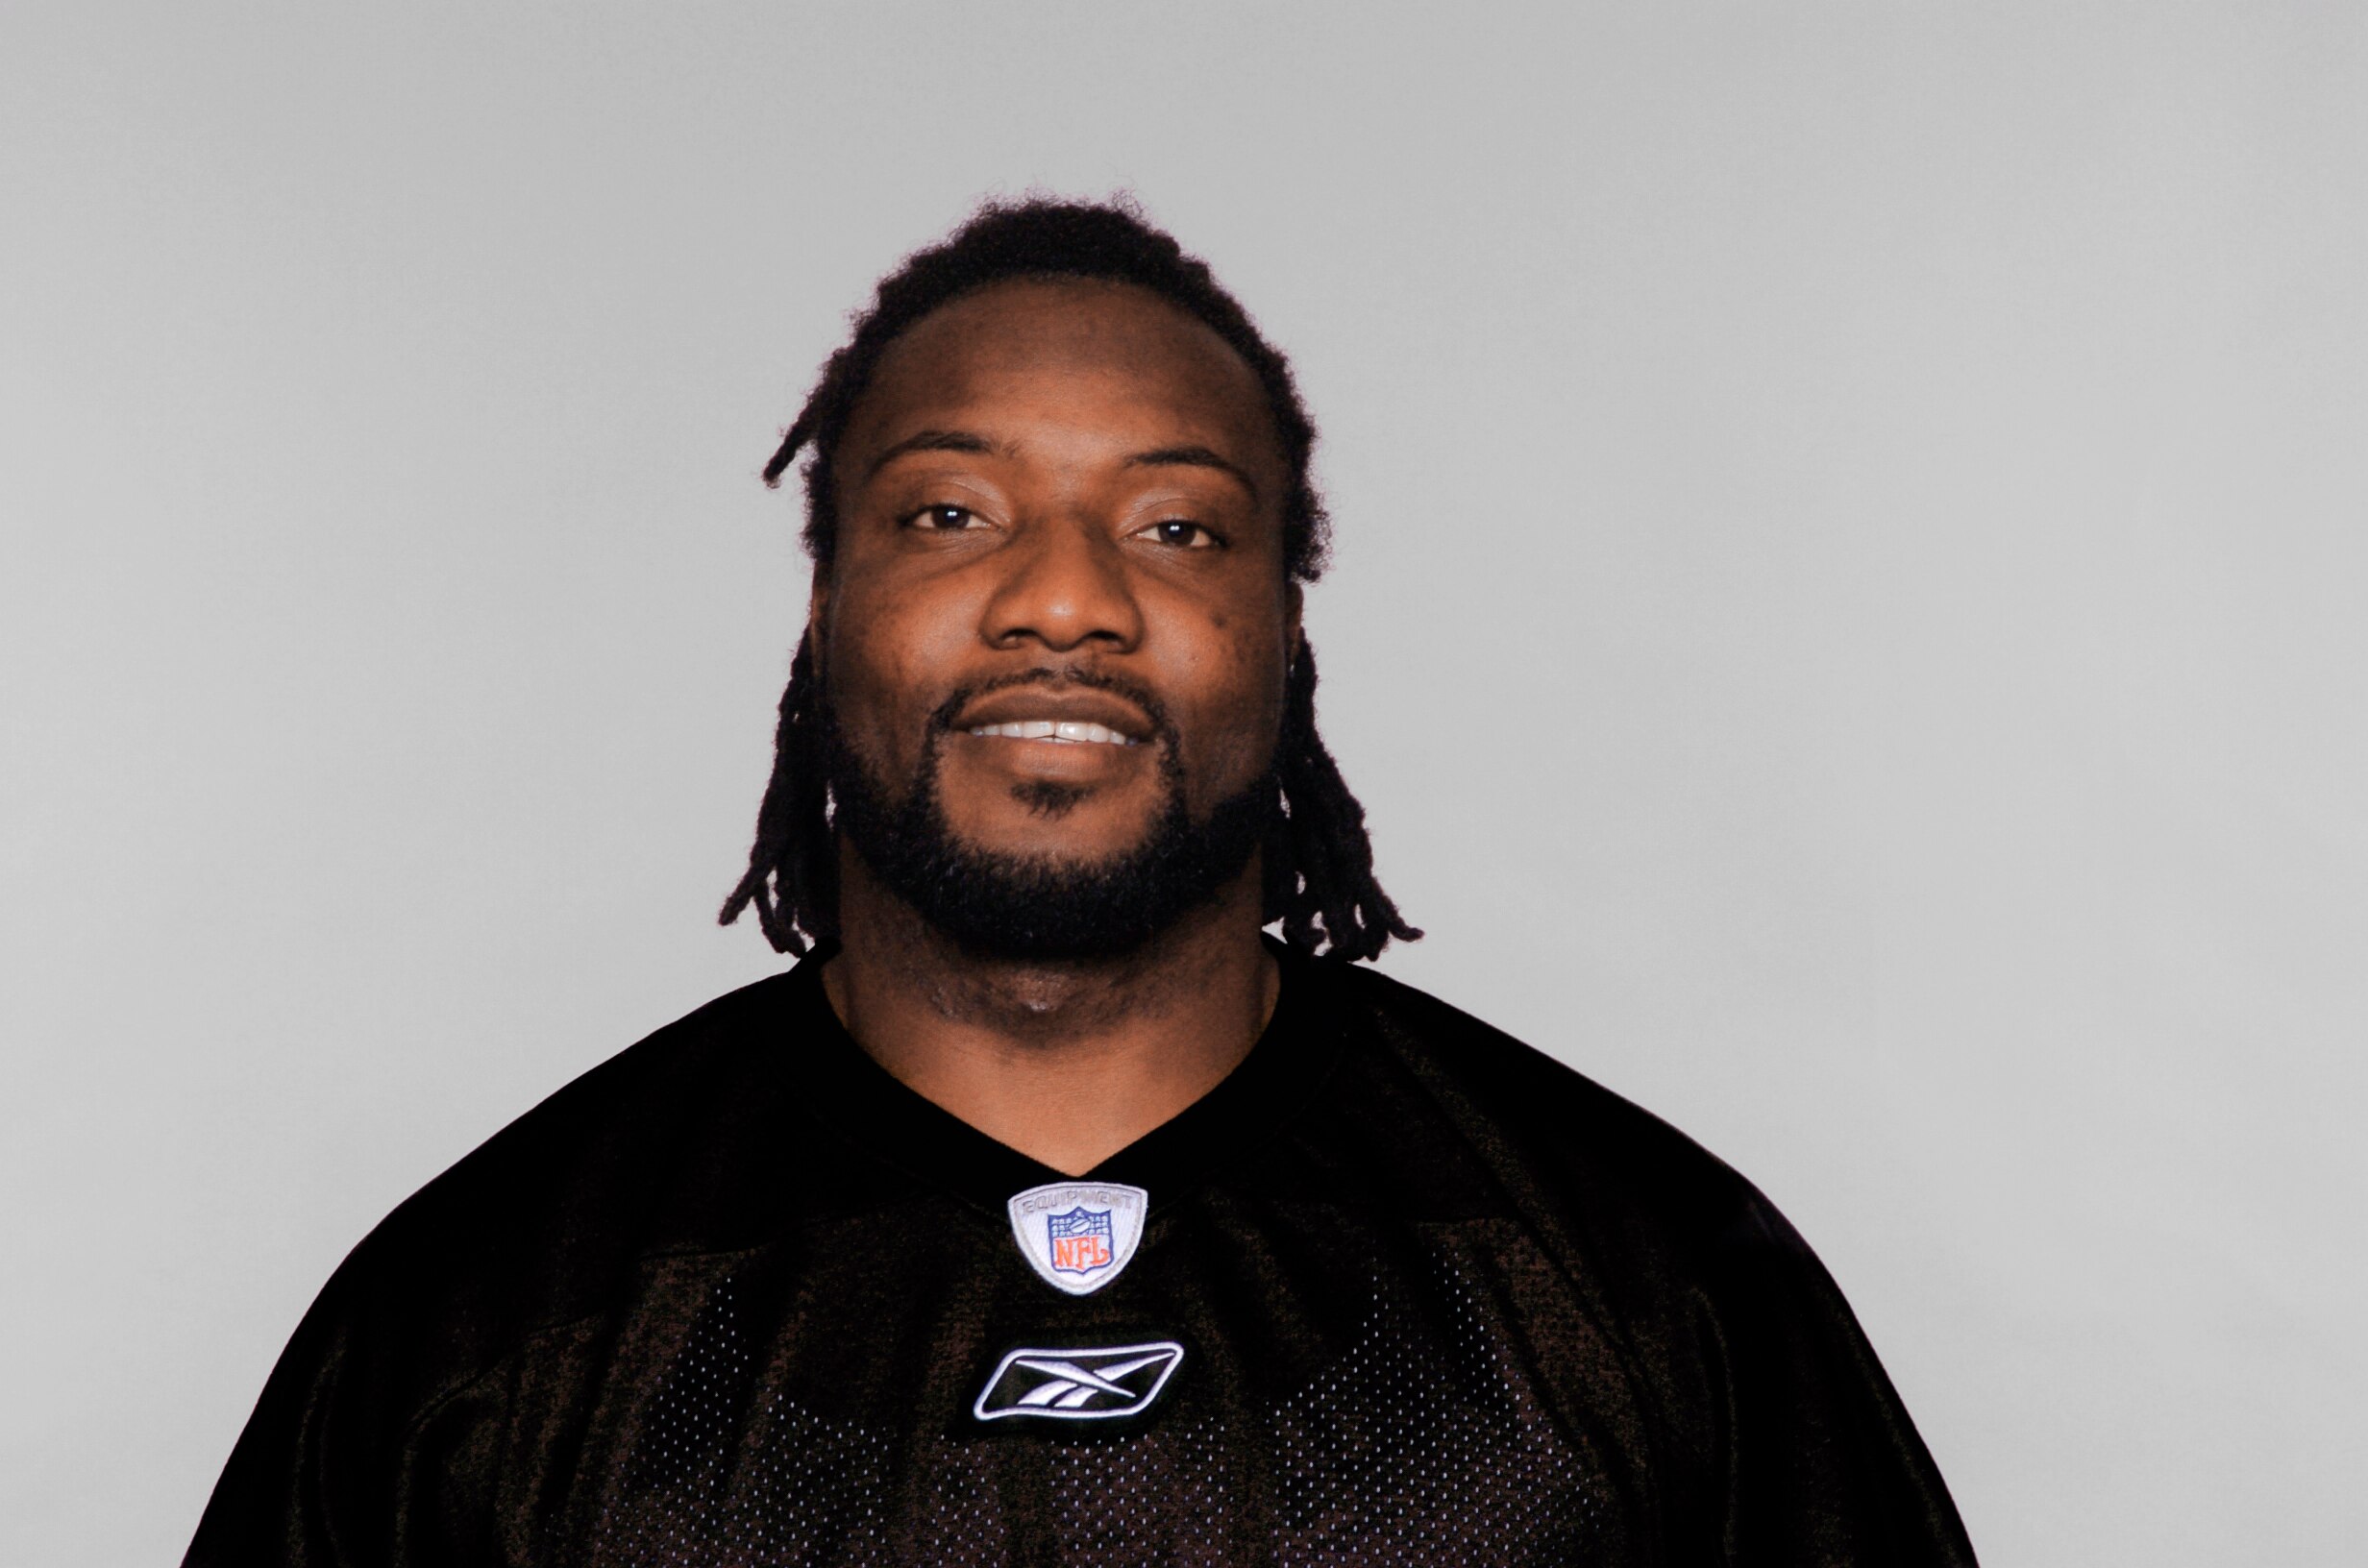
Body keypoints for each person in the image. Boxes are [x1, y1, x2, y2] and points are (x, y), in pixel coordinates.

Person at [185, 200, 1978, 1566]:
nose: (1067, 600)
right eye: (951, 513)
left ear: (1285, 629)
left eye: (1176, 526)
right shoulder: (490, 1321)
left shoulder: (1640, 1282)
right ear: (824, 613)